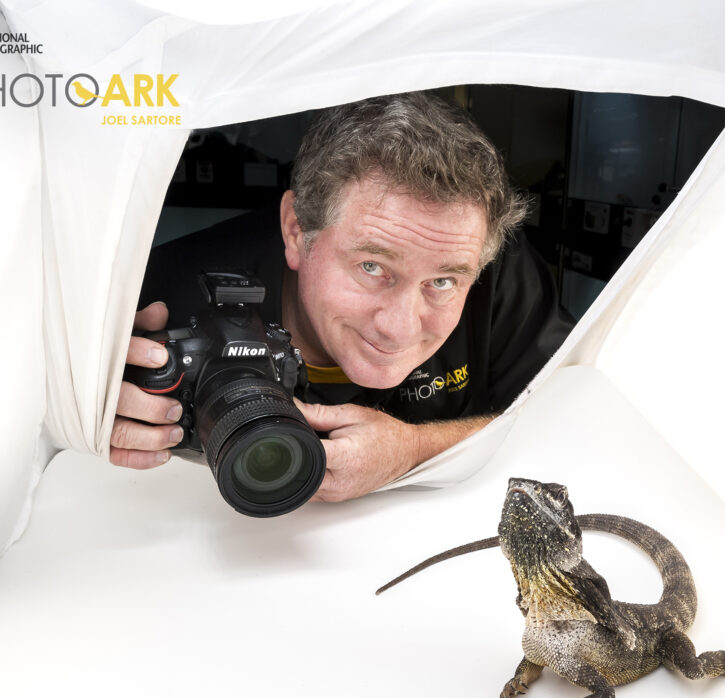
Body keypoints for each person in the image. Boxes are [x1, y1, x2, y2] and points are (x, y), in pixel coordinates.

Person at [113, 92, 573, 501]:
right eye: (372, 268)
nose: (398, 327)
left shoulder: (494, 266)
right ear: (297, 231)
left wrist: (414, 449)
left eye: (442, 283)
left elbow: (578, 413)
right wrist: (90, 416)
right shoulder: (153, 301)